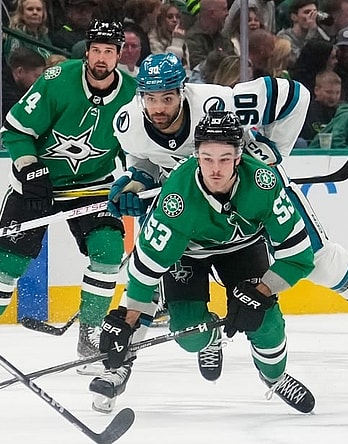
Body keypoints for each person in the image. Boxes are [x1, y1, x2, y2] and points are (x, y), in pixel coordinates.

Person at [105, 53, 348, 396]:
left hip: (252, 186)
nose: (159, 108)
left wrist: (273, 151)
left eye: (168, 97)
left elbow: (294, 95)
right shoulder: (129, 124)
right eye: (150, 98)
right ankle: (127, 362)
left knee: (317, 259)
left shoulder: (219, 103)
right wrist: (136, 180)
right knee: (153, 267)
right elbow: (144, 160)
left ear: (183, 90)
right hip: (191, 199)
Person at [93, 110, 317, 414]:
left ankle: (274, 378)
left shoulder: (264, 183)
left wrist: (262, 291)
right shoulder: (177, 197)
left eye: (225, 159)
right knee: (188, 335)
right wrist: (128, 319)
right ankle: (210, 336)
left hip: (243, 248)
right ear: (196, 155)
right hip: (188, 254)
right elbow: (147, 268)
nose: (215, 169)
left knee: (265, 322)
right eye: (207, 158)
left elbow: (299, 255)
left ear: (239, 157)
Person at [0, 19, 137, 375]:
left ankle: (90, 335)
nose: (101, 58)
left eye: (109, 51)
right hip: (38, 183)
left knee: (109, 252)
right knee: (10, 262)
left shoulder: (133, 94)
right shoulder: (58, 81)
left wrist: (134, 179)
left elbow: (136, 147)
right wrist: (29, 167)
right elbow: (16, 130)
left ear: (119, 55)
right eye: (96, 50)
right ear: (87, 51)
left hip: (93, 184)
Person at [300, 70, 342, 142]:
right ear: (316, 90)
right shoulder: (306, 110)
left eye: (337, 93)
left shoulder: (341, 113)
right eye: (329, 92)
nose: (333, 97)